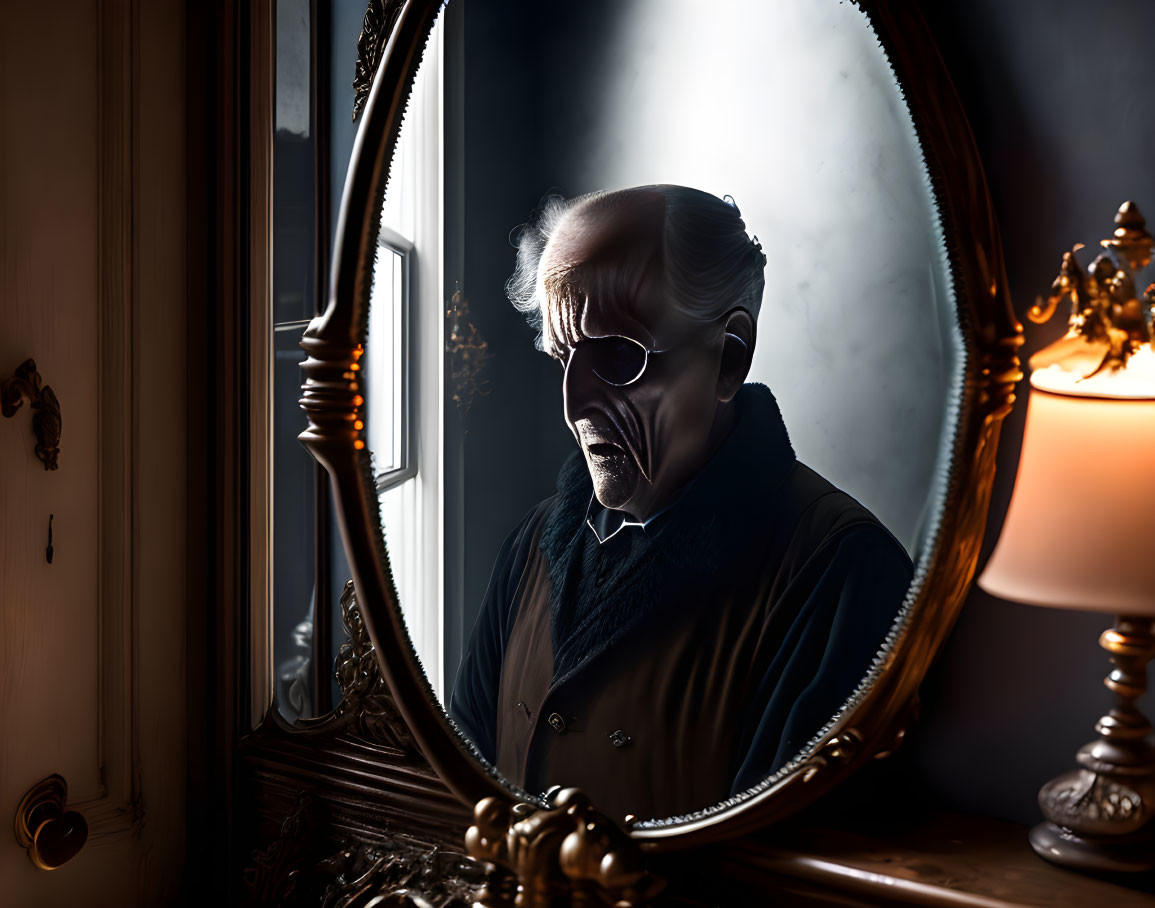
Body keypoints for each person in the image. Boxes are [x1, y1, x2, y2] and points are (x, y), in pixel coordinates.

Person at [450, 185, 912, 821]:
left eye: (618, 354)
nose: (573, 404)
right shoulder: (532, 544)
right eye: (564, 356)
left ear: (729, 358)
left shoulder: (843, 574)